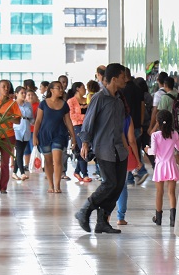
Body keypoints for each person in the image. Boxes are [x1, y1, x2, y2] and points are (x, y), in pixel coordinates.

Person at [75, 64, 129, 234]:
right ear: (114, 79)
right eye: (122, 77)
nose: (125, 80)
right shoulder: (99, 98)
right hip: (103, 148)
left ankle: (102, 221)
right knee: (109, 183)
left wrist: (127, 148)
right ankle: (84, 210)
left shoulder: (119, 101)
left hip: (119, 150)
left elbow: (120, 129)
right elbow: (88, 122)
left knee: (118, 186)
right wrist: (85, 143)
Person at [32, 80, 76, 193]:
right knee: (47, 161)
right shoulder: (43, 103)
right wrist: (34, 136)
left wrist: (73, 136)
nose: (61, 90)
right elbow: (38, 121)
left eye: (62, 88)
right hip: (44, 135)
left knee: (57, 160)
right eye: (58, 88)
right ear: (51, 90)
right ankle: (50, 185)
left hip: (60, 134)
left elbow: (68, 121)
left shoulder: (64, 104)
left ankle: (57, 185)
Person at [150, 110, 179, 227]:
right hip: (171, 165)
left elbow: (153, 151)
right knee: (171, 193)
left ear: (157, 122)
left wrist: (146, 150)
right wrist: (174, 144)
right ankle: (173, 220)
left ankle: (158, 218)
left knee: (159, 192)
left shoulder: (155, 135)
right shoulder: (174, 134)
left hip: (160, 166)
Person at [67, 82, 90, 183]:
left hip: (87, 127)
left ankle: (77, 171)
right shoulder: (71, 101)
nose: (85, 90)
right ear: (77, 89)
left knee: (87, 148)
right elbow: (71, 115)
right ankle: (85, 174)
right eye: (83, 88)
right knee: (82, 148)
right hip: (77, 126)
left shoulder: (87, 100)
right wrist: (86, 117)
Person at [12, 86, 33, 181]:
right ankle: (22, 172)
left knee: (20, 152)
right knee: (19, 151)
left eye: (25, 93)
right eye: (22, 93)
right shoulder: (13, 104)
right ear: (16, 94)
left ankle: (14, 172)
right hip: (17, 129)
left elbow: (31, 117)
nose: (24, 95)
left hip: (26, 128)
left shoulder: (28, 105)